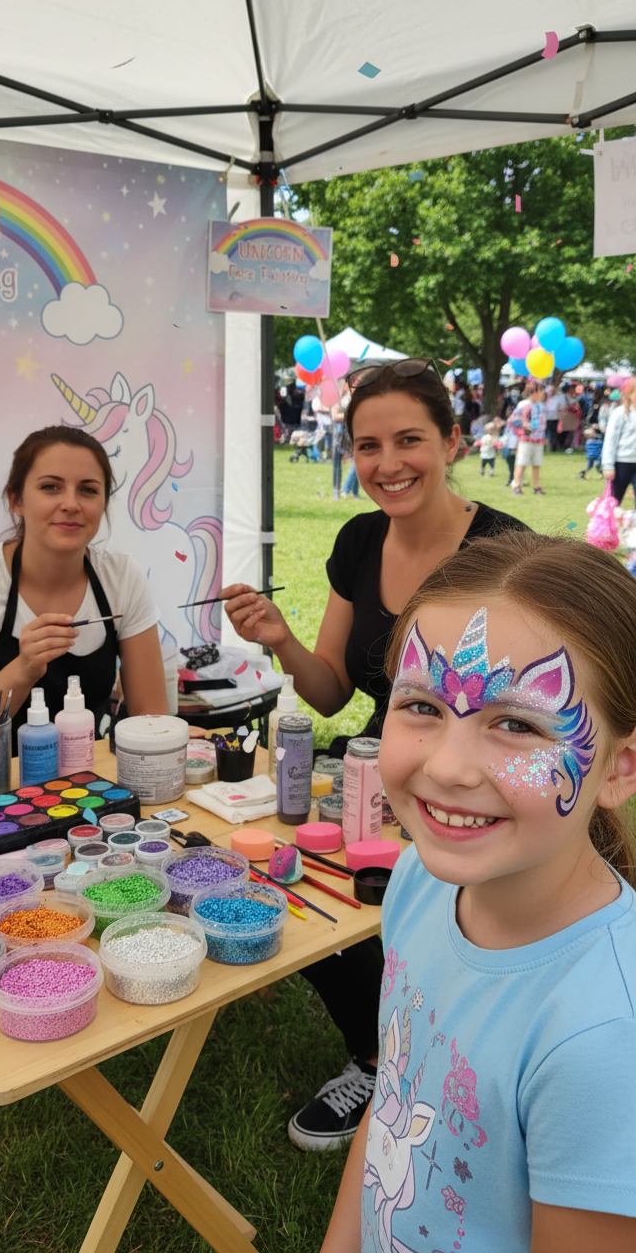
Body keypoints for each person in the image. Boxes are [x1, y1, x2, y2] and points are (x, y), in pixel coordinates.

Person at [222, 358, 525, 1152]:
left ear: (454, 442)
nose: (387, 464)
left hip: (471, 781)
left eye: (409, 440)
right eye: (367, 446)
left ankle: (458, 1068)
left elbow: (522, 713)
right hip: (368, 768)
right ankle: (375, 1056)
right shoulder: (359, 541)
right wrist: (280, 640)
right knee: (299, 883)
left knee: (405, 907)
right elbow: (328, 695)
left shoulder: (504, 551)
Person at [320, 531, 636, 1253]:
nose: (452, 767)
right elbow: (393, 1099)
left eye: (517, 724)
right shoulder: (416, 883)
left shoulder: (606, 1037)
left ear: (619, 769)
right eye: (423, 707)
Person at [0, 425, 168, 749]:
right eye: (51, 487)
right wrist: (24, 669)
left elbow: (152, 720)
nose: (71, 504)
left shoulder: (122, 576)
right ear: (16, 500)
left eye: (88, 490)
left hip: (91, 781)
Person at [602, 377, 636, 506]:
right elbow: (611, 440)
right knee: (614, 501)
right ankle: (610, 525)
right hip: (622, 462)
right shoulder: (619, 413)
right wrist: (608, 465)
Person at [512, 380, 546, 495]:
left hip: (538, 439)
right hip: (526, 440)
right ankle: (517, 486)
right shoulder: (523, 405)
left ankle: (537, 486)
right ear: (534, 392)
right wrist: (523, 429)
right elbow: (513, 420)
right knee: (521, 462)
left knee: (536, 463)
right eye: (540, 391)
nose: (542, 394)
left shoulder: (541, 406)